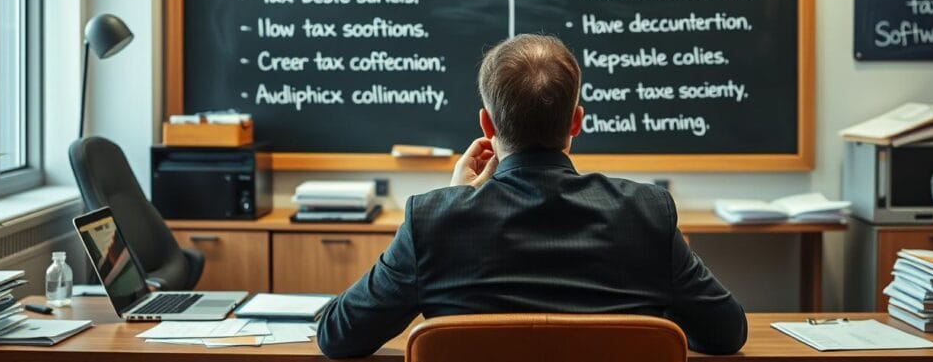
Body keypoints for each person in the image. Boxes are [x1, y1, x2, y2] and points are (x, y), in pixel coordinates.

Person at [316, 34, 747, 358]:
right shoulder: (647, 213)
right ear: (576, 121)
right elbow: (727, 333)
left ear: (487, 125)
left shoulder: (431, 221)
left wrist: (453, 203)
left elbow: (337, 337)